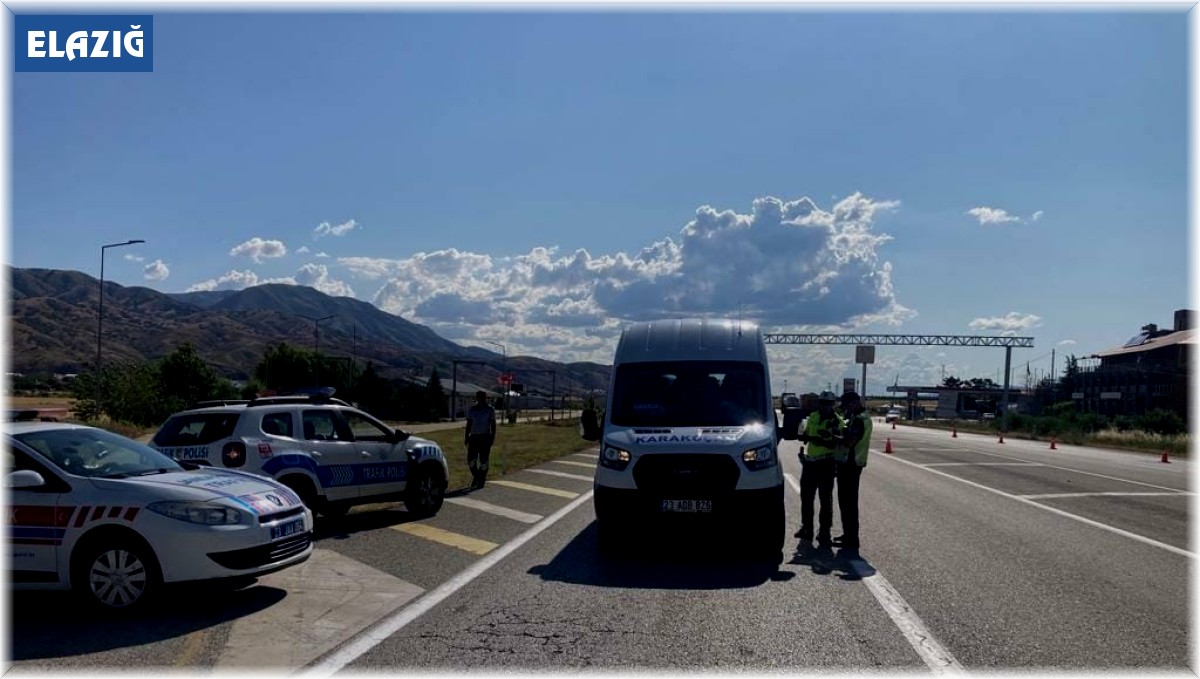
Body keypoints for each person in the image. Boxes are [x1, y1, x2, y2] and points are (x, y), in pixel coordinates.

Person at [796, 391, 844, 548]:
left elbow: (834, 444)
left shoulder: (837, 421)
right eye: (822, 403)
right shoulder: (813, 416)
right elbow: (805, 435)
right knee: (806, 497)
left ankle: (824, 531)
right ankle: (807, 528)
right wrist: (804, 436)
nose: (824, 406)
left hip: (826, 463)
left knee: (825, 499)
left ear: (833, 404)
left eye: (828, 403)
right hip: (810, 463)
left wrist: (819, 440)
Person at [833, 391, 872, 552]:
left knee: (847, 502)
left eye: (848, 405)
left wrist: (833, 437)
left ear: (855, 403)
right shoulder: (863, 417)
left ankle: (851, 538)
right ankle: (848, 534)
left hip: (850, 463)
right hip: (854, 463)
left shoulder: (859, 420)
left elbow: (850, 442)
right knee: (847, 502)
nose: (846, 409)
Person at [464, 390, 497, 490]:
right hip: (474, 437)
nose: (480, 399)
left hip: (485, 437)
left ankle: (481, 480)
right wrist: (466, 437)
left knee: (483, 461)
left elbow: (493, 424)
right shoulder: (473, 409)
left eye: (482, 397)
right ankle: (477, 476)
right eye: (478, 397)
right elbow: (469, 423)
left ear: (485, 398)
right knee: (471, 461)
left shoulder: (490, 410)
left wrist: (492, 437)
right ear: (477, 398)